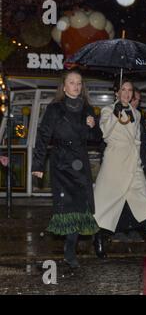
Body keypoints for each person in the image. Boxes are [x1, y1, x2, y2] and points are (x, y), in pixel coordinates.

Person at [32, 69, 102, 268]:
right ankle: (70, 251)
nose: (76, 86)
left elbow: (96, 138)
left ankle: (70, 248)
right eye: (72, 82)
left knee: (81, 208)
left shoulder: (87, 109)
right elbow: (43, 136)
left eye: (79, 83)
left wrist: (92, 126)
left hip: (80, 165)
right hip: (61, 164)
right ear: (64, 86)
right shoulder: (55, 109)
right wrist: (38, 165)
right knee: (66, 208)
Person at [93, 79, 146, 258]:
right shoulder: (107, 110)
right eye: (123, 90)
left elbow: (137, 140)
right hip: (115, 165)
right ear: (117, 93)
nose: (126, 93)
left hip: (133, 165)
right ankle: (99, 239)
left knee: (144, 203)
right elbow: (104, 133)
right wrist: (115, 114)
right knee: (106, 206)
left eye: (129, 90)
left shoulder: (137, 114)